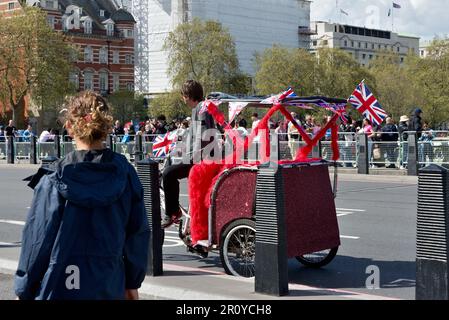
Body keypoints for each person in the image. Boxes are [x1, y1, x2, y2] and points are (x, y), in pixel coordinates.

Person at [14, 91, 149, 300]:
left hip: (60, 285)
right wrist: (132, 282)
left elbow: (37, 241)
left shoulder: (53, 177)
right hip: (108, 283)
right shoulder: (125, 173)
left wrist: (24, 289)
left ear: (69, 126)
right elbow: (137, 233)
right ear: (105, 127)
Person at [161, 80, 216, 229]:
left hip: (200, 159)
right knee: (170, 170)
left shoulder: (201, 109)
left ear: (188, 95)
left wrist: (192, 157)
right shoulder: (199, 108)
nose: (183, 99)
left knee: (168, 174)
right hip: (199, 156)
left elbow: (203, 137)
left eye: (184, 96)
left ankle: (173, 212)